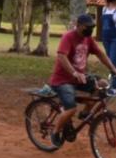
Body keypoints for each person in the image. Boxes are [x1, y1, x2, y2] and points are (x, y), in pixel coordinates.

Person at [49, 14, 116, 147]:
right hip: (63, 80)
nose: (90, 30)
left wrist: (113, 69)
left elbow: (101, 54)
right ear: (78, 26)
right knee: (71, 109)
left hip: (80, 78)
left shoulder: (88, 39)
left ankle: (85, 112)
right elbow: (61, 56)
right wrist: (74, 73)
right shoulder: (68, 37)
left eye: (92, 27)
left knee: (103, 85)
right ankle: (55, 132)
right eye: (87, 27)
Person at [100, 0, 116, 77]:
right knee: (109, 61)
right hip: (105, 39)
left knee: (112, 62)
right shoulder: (104, 9)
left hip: (115, 39)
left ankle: (113, 87)